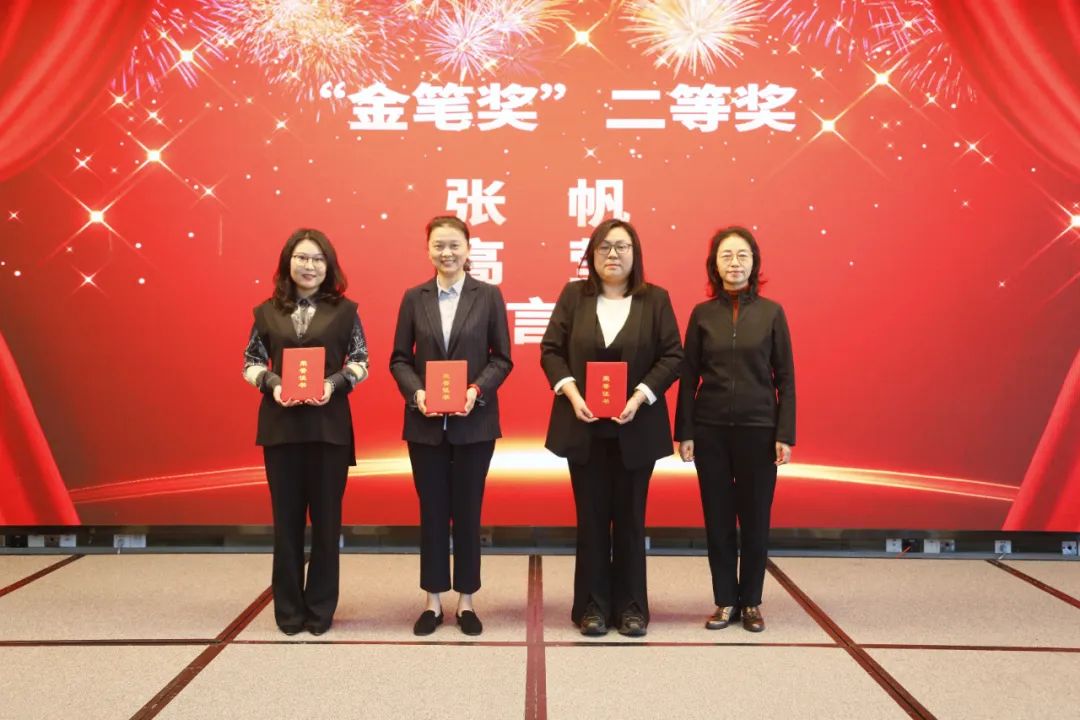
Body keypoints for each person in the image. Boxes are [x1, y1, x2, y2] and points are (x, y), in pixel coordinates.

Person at [540, 219, 683, 637]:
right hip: (584, 427)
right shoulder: (574, 296)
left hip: (635, 428)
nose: (613, 255)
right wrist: (572, 394)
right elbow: (550, 351)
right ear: (591, 255)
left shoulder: (655, 299)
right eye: (604, 247)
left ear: (635, 254)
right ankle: (592, 607)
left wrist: (639, 396)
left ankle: (632, 607)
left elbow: (672, 356)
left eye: (622, 247)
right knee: (591, 519)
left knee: (631, 519)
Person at [389, 215, 513, 637]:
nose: (447, 253)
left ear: (468, 249)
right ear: (428, 250)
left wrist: (476, 390)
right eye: (439, 245)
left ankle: (466, 601)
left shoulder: (488, 295)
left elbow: (502, 359)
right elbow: (400, 359)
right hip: (425, 426)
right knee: (432, 513)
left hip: (474, 425)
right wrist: (417, 393)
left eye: (454, 245)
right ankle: (432, 601)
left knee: (468, 511)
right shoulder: (414, 297)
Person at [242, 228, 369, 636]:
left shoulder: (345, 311)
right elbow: (250, 363)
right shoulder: (266, 311)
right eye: (302, 258)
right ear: (288, 263)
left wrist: (333, 384)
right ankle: (288, 609)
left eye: (317, 259)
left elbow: (361, 361)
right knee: (286, 523)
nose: (309, 266)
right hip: (281, 430)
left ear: (328, 266)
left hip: (329, 430)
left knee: (327, 524)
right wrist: (273, 384)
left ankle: (320, 608)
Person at [674, 226, 795, 633]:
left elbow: (786, 378)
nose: (735, 263)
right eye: (726, 256)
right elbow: (688, 377)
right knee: (718, 519)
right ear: (715, 264)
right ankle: (725, 600)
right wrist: (685, 432)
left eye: (742, 255)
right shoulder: (702, 314)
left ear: (754, 263)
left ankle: (752, 602)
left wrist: (784, 433)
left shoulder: (772, 313)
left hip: (759, 430)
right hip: (710, 430)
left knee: (756, 520)